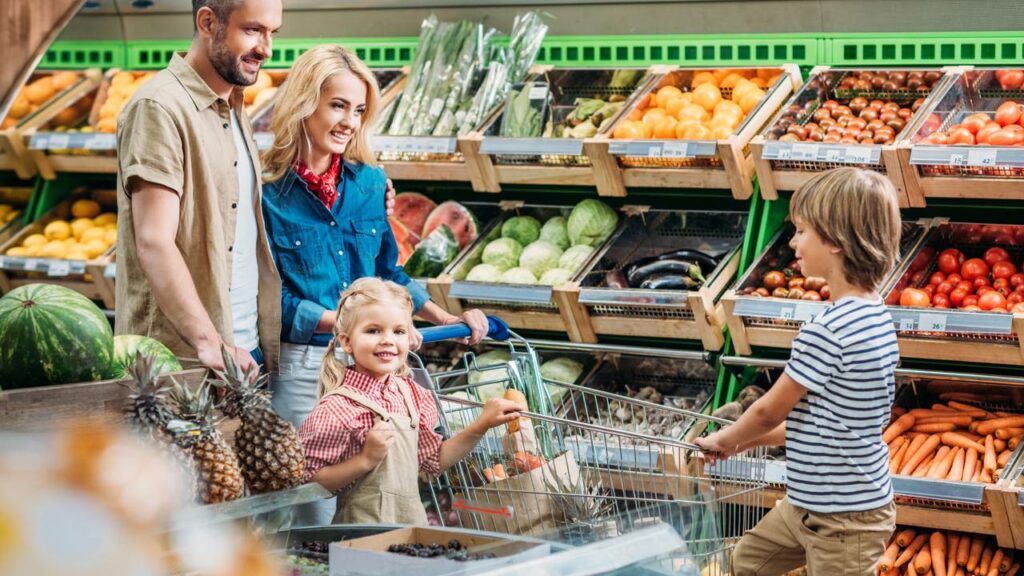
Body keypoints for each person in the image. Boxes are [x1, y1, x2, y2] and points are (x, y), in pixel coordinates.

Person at [260, 44, 488, 430]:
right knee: (315, 470)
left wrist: (444, 317)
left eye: (359, 110)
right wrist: (355, 324)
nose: (350, 122)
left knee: (382, 467)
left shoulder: (370, 183)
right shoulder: (265, 192)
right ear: (304, 104)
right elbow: (269, 299)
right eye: (338, 106)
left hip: (373, 366)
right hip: (305, 368)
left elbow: (387, 273)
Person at [695, 167, 902, 576]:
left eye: (802, 231)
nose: (792, 241)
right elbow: (817, 424)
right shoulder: (876, 316)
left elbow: (767, 411)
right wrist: (743, 445)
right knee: (746, 565)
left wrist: (725, 437)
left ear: (836, 241)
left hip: (845, 522)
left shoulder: (828, 330)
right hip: (805, 507)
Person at [115, 0, 284, 373]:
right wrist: (210, 343)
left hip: (243, 349)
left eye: (272, 33)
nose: (266, 49)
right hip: (181, 362)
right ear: (208, 22)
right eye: (253, 30)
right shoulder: (159, 107)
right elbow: (154, 241)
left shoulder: (233, 105)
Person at [298, 278, 520, 525]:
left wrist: (482, 424)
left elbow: (434, 460)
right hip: (361, 538)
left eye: (399, 331)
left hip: (411, 532)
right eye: (373, 331)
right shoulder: (338, 408)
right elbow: (310, 482)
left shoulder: (412, 394)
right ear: (347, 342)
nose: (387, 340)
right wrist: (365, 460)